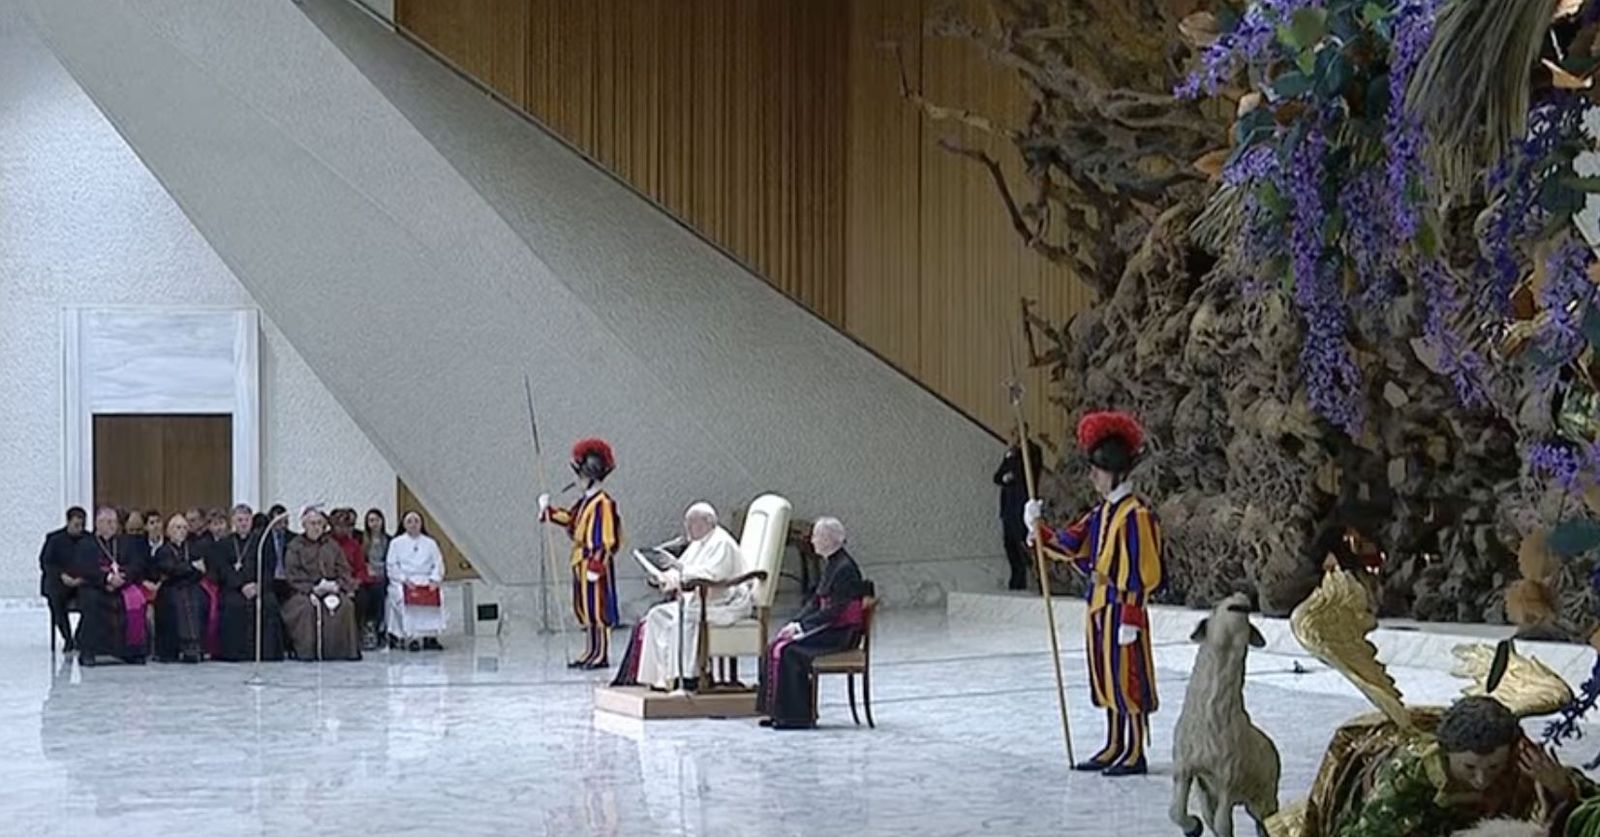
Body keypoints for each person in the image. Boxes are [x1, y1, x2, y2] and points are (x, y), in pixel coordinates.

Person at [1025, 410, 1165, 776]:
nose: (1093, 478)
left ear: (1115, 472)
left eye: (1098, 471)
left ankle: (1135, 751)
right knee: (1106, 678)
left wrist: (1132, 617)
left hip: (1123, 610)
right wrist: (1036, 527)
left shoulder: (1135, 516)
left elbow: (1142, 572)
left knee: (1128, 679)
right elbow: (1069, 543)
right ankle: (1114, 744)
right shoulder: (1102, 513)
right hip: (1100, 608)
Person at [1329, 696, 1586, 836]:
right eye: (1469, 768)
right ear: (1445, 754)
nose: (1482, 779)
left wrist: (1562, 790)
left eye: (1494, 767)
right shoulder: (1408, 775)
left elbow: (1592, 814)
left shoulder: (1525, 762)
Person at [613, 502, 747, 691]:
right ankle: (660, 678)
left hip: (723, 602)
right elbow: (682, 568)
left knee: (683, 618)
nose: (687, 528)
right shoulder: (699, 543)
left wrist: (679, 577)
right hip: (701, 600)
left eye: (691, 523)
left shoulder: (721, 543)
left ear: (706, 523)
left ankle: (686, 676)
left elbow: (713, 575)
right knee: (656, 615)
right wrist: (663, 577)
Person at [757, 517, 868, 730]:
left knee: (789, 652)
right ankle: (778, 713)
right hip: (831, 626)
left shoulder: (844, 568)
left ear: (829, 539)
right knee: (774, 646)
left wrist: (802, 628)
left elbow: (834, 610)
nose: (812, 540)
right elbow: (816, 601)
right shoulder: (833, 564)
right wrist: (796, 622)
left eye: (816, 536)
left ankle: (796, 718)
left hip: (840, 633)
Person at [539, 438, 622, 670]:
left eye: (581, 476)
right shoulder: (586, 502)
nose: (578, 480)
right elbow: (571, 519)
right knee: (585, 610)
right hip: (581, 562)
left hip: (594, 563)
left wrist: (598, 565)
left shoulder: (603, 503)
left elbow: (606, 539)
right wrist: (549, 511)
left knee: (598, 610)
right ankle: (590, 650)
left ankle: (601, 654)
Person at [69, 507, 150, 665]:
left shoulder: (126, 542)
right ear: (98, 523)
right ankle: (89, 651)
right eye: (108, 522)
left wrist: (122, 577)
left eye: (114, 522)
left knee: (133, 601)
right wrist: (107, 578)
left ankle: (130, 651)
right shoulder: (86, 543)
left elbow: (137, 564)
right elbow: (83, 567)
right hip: (95, 586)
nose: (113, 525)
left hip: (122, 586)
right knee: (92, 602)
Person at [280, 508, 361, 661]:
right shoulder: (295, 546)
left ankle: (341, 652)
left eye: (319, 524)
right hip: (303, 592)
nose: (316, 527)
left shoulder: (332, 545)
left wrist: (337, 585)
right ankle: (308, 652)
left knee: (346, 606)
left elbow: (344, 569)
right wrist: (313, 589)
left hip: (331, 589)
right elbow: (292, 574)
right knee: (306, 609)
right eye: (312, 523)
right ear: (304, 525)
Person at [208, 504, 283, 662]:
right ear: (233, 521)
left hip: (259, 587)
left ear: (251, 521)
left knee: (269, 604)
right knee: (232, 605)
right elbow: (223, 570)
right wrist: (241, 586)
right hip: (235, 588)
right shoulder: (224, 543)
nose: (243, 523)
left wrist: (258, 586)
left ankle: (266, 653)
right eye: (239, 520)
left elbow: (269, 567)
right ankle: (234, 654)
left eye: (246, 520)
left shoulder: (262, 541)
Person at [151, 514, 209, 663]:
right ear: (169, 531)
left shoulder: (193, 548)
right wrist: (190, 568)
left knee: (200, 599)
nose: (181, 531)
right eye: (178, 527)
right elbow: (169, 570)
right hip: (170, 588)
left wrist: (185, 570)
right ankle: (182, 646)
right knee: (177, 601)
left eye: (184, 527)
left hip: (191, 586)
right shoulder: (163, 550)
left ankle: (195, 645)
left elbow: (201, 571)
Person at [385, 511, 445, 652]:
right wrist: (404, 580)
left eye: (416, 521)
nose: (413, 524)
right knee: (402, 597)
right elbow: (392, 565)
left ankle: (430, 637)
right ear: (404, 524)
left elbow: (438, 563)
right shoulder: (396, 543)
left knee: (438, 595)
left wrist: (434, 580)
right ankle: (411, 637)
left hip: (426, 579)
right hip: (404, 581)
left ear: (421, 523)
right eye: (409, 521)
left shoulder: (430, 543)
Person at [994, 428, 1044, 590]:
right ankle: (1016, 579)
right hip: (1008, 506)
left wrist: (1014, 461)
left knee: (1022, 543)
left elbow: (1025, 474)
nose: (1012, 439)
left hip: (1022, 506)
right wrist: (1009, 459)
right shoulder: (1011, 454)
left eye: (1015, 435)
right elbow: (998, 477)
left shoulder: (1032, 452)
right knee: (1009, 544)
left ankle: (1030, 578)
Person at [38, 507, 88, 652]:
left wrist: (82, 578)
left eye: (82, 525)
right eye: (76, 525)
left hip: (81, 582)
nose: (79, 529)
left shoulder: (89, 539)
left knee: (92, 600)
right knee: (56, 600)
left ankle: (80, 637)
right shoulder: (54, 539)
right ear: (68, 522)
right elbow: (46, 562)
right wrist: (62, 575)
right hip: (60, 582)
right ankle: (67, 638)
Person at [329, 508, 372, 632]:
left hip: (351, 582)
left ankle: (356, 632)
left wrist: (356, 582)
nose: (342, 529)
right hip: (332, 582)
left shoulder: (354, 545)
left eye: (346, 526)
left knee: (362, 598)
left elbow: (361, 568)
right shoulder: (326, 542)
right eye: (339, 525)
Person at [360, 508, 391, 649]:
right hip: (368, 576)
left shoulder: (389, 540)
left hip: (385, 575)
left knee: (380, 589)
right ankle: (369, 625)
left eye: (377, 520)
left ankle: (379, 627)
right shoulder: (363, 541)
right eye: (371, 520)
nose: (374, 523)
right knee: (369, 591)